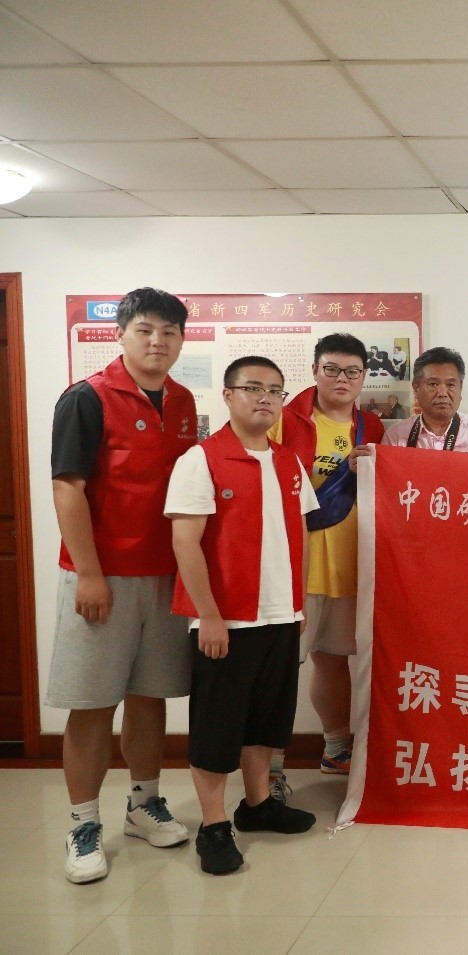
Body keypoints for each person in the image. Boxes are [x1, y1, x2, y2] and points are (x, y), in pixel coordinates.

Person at [47, 287, 197, 885]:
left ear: (181, 340)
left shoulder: (183, 400)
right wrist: (88, 573)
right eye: (145, 330)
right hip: (101, 578)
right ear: (121, 334)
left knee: (149, 695)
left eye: (169, 331)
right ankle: (83, 824)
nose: (157, 341)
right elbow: (67, 487)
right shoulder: (86, 398)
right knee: (92, 703)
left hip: (164, 575)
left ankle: (143, 803)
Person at [166, 356, 320, 875]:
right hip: (227, 620)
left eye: (275, 390)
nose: (265, 398)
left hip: (281, 615)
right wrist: (208, 615)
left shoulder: (288, 461)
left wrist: (297, 604)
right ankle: (213, 826)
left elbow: (300, 535)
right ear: (228, 395)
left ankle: (257, 806)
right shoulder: (201, 459)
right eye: (253, 388)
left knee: (266, 719)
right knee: (217, 726)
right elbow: (185, 543)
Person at [267, 334, 385, 800]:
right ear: (315, 370)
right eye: (332, 369)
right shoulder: (286, 417)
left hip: (351, 565)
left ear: (363, 377)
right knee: (279, 668)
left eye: (352, 371)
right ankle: (270, 769)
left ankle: (336, 749)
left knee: (333, 660)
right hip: (295, 566)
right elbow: (268, 481)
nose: (342, 379)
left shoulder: (372, 426)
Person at [383, 346, 468, 454]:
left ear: (460, 388)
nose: (442, 393)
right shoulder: (395, 436)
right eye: (433, 384)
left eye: (451, 385)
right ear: (416, 388)